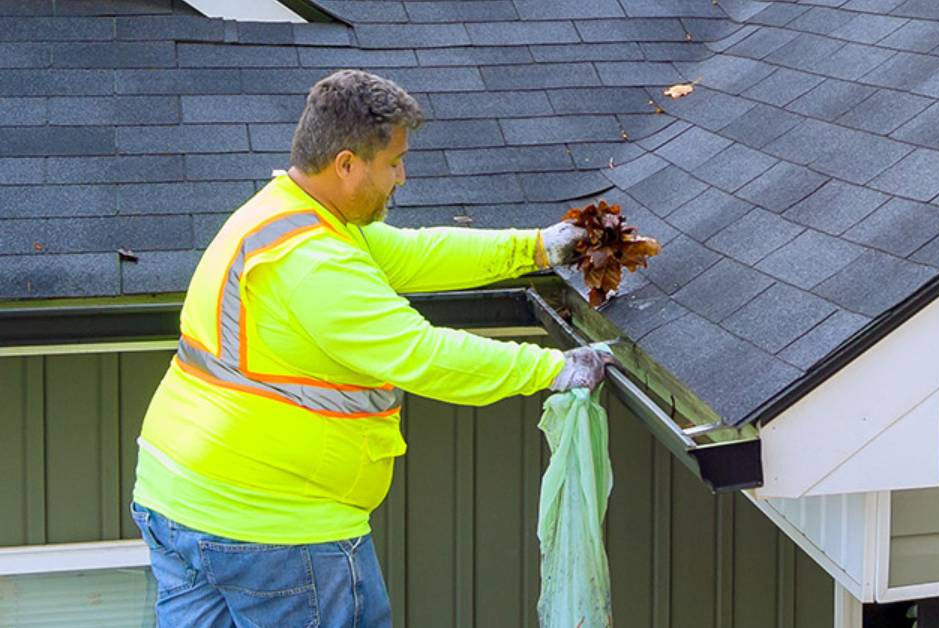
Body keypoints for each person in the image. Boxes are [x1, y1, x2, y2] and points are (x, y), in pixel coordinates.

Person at [129, 69, 610, 627]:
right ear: (347, 164)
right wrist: (554, 368)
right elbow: (420, 355)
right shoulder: (313, 265)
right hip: (272, 530)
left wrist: (535, 249)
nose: (402, 177)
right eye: (393, 163)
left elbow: (414, 254)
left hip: (177, 497)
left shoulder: (289, 217)